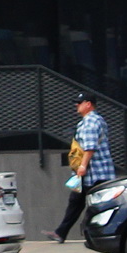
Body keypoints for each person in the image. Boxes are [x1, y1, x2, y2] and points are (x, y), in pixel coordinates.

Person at [46, 91, 114, 243]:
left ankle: (90, 234)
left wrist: (82, 166)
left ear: (88, 104)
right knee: (76, 201)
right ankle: (61, 232)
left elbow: (89, 148)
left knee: (92, 204)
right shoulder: (96, 120)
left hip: (93, 173)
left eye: (80, 102)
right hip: (95, 172)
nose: (76, 105)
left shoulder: (90, 122)